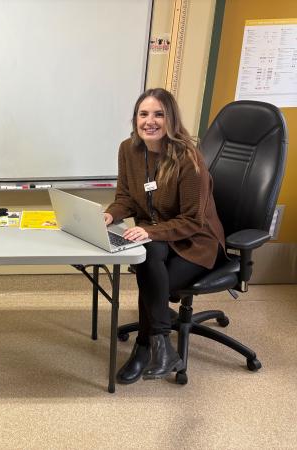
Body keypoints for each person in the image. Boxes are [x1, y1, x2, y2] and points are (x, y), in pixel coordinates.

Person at [104, 88, 225, 384]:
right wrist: (110, 214)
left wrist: (149, 230)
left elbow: (192, 220)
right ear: (135, 119)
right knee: (151, 256)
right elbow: (126, 198)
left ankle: (145, 346)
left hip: (196, 241)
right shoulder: (128, 149)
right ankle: (162, 345)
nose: (150, 121)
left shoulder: (188, 159)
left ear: (170, 118)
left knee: (152, 280)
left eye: (158, 114)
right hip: (158, 238)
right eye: (143, 114)